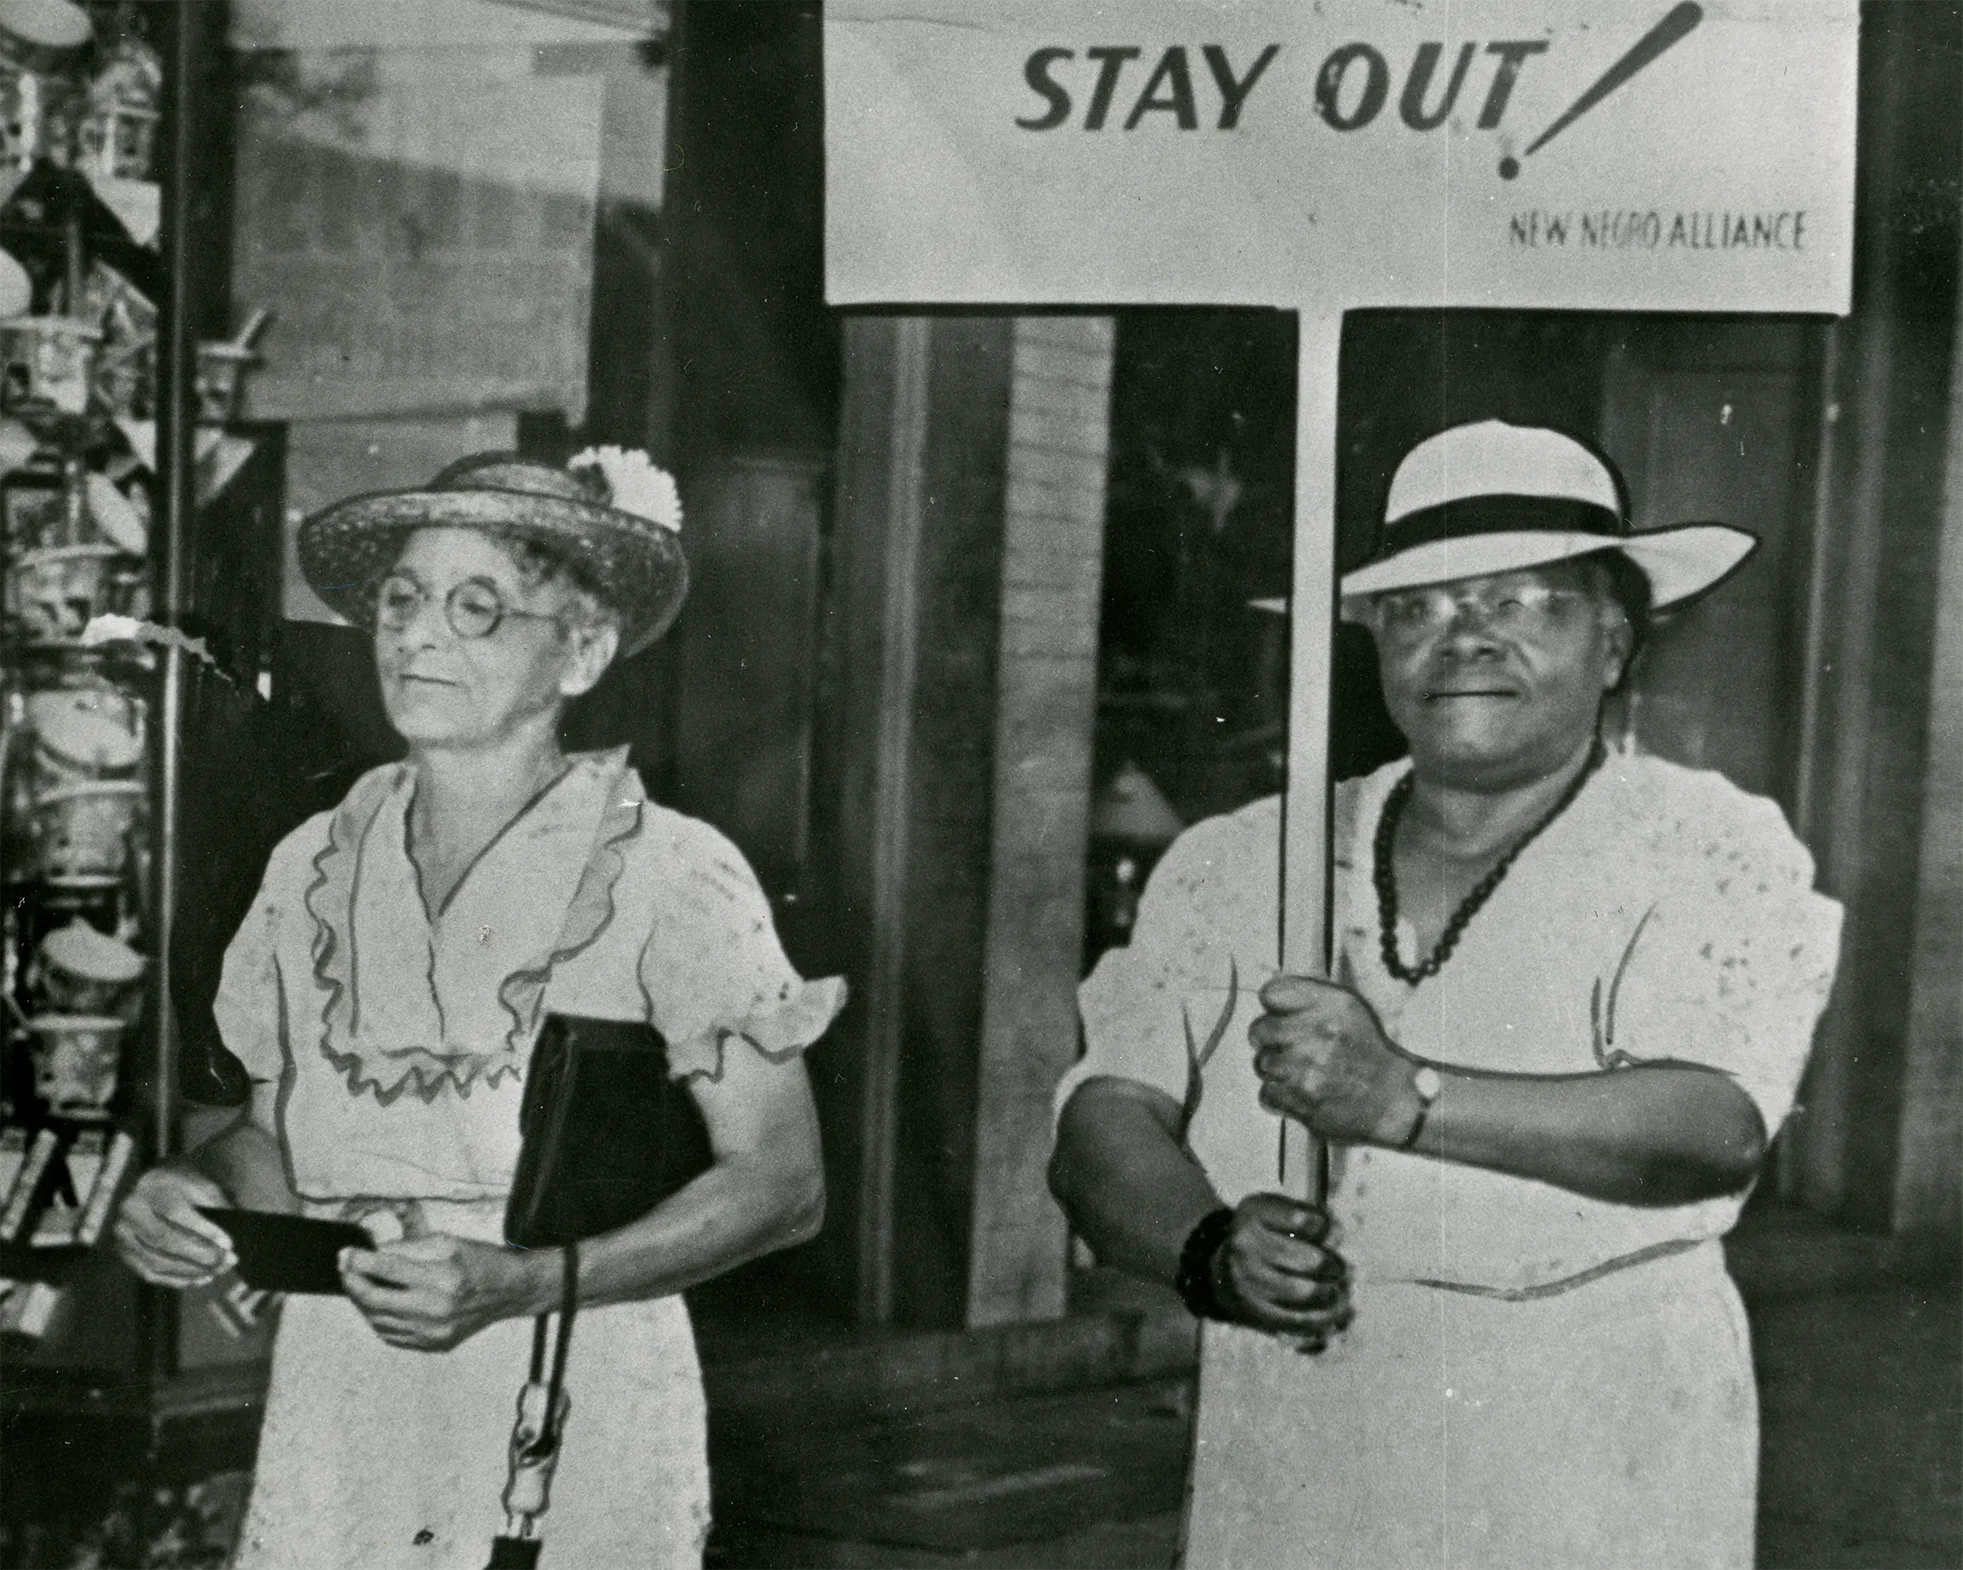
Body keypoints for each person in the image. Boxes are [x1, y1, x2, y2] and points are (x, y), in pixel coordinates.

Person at [1049, 419, 1843, 1569]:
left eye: (1519, 600)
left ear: (1613, 641)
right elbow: (1101, 1117)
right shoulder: (1245, 856)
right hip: (1296, 1422)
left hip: (1592, 1429)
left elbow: (1712, 1128)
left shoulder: (1705, 845)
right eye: (1417, 606)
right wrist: (1206, 1247)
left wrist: (1403, 1098)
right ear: (1374, 641)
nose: (1464, 636)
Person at [114, 449, 845, 1570]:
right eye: (400, 601)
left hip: (569, 1372)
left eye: (476, 607)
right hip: (347, 1385)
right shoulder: (311, 864)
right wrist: (195, 1191)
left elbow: (783, 1185)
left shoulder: (671, 871)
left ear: (583, 651)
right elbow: (275, 1144)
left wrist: (526, 1282)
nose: (416, 636)